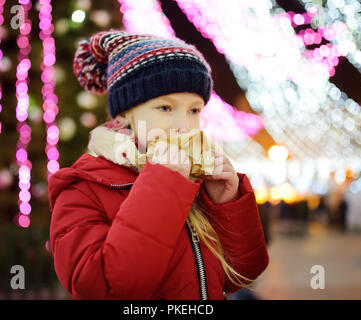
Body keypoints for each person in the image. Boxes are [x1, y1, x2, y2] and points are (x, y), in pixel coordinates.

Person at [47, 30, 269, 300]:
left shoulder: (198, 184)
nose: (183, 125)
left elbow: (241, 275)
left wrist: (226, 204)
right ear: (126, 113)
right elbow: (102, 288)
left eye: (194, 110)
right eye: (165, 108)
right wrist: (163, 185)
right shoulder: (83, 189)